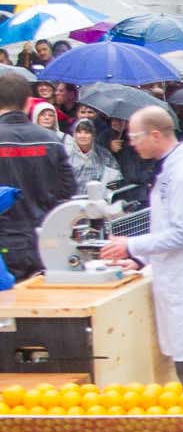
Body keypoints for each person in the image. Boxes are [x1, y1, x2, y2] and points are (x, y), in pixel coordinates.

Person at [98, 106, 183, 386]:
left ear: (156, 134)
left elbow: (182, 233)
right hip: (179, 281)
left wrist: (131, 245)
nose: (131, 143)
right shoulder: (170, 170)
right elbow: (167, 230)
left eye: (135, 136)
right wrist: (141, 259)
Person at [0, 68, 76, 280]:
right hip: (45, 237)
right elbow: (68, 190)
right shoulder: (52, 140)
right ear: (28, 102)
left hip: (5, 241)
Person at [64, 117, 120, 192]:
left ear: (93, 135)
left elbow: (115, 178)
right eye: (79, 132)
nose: (83, 136)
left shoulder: (104, 155)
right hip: (72, 201)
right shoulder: (66, 154)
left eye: (87, 132)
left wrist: (107, 194)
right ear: (74, 134)